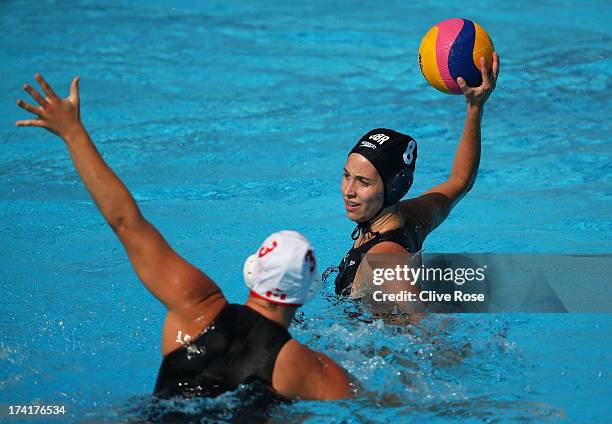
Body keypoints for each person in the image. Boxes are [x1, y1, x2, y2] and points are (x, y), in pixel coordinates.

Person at [15, 74, 352, 400]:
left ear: (251, 272)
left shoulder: (196, 305)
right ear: (309, 292)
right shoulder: (310, 370)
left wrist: (72, 132)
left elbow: (126, 222)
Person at [335, 53, 500, 299]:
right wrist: (475, 108)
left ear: (395, 187)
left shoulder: (386, 260)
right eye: (347, 176)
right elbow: (460, 181)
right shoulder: (413, 219)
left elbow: (422, 323)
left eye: (364, 182)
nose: (349, 190)